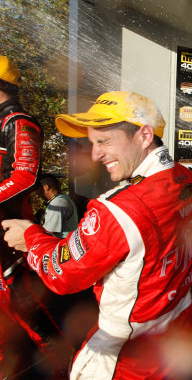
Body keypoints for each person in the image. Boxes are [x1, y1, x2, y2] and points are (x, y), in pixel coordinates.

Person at [3, 91, 192, 379]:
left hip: (126, 356)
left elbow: (60, 275)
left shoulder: (117, 209)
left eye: (104, 141)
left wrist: (31, 238)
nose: (95, 154)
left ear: (144, 135)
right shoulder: (189, 180)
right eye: (92, 143)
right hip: (178, 332)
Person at [0, 55, 72, 378]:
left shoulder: (18, 120)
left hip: (11, 225)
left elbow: (26, 176)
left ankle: (63, 358)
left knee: (20, 297)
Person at [38, 173, 78, 238]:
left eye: (38, 189)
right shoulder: (61, 199)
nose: (37, 193)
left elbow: (48, 232)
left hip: (63, 244)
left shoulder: (57, 203)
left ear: (46, 187)